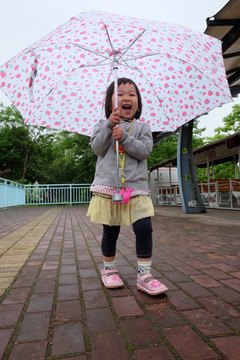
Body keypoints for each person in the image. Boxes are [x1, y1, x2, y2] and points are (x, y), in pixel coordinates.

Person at [87, 77, 168, 296]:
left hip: (136, 189)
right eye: (120, 94)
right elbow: (97, 148)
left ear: (138, 103)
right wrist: (109, 126)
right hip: (109, 188)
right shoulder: (102, 124)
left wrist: (124, 137)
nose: (127, 98)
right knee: (110, 229)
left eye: (132, 94)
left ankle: (145, 275)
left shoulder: (143, 127)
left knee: (144, 228)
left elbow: (144, 151)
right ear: (110, 102)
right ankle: (109, 269)